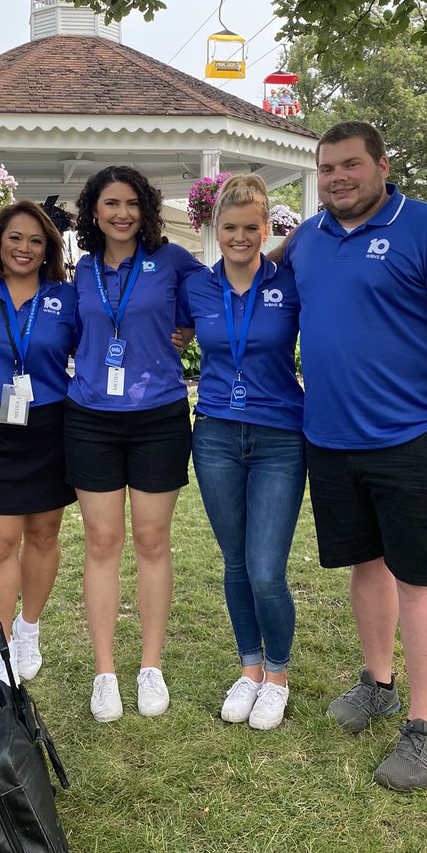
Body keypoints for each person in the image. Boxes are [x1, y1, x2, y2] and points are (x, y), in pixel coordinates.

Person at [285, 121, 427, 789]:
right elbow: (257, 272)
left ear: (381, 164)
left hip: (409, 440)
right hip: (330, 439)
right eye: (326, 169)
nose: (337, 178)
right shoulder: (309, 240)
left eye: (349, 165)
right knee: (364, 566)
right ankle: (378, 682)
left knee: (420, 579)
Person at [66, 165, 202, 722]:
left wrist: (188, 328)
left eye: (131, 203)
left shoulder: (173, 261)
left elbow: (211, 302)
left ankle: (150, 666)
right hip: (92, 416)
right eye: (110, 204)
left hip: (159, 414)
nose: (121, 213)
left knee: (151, 540)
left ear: (145, 209)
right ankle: (105, 673)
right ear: (93, 213)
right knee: (101, 542)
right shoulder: (82, 271)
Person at [178, 175, 305, 730]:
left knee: (266, 569)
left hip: (280, 437)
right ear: (214, 229)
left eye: (251, 227)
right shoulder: (196, 287)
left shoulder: (290, 284)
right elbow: (170, 332)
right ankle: (249, 669)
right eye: (229, 227)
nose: (240, 237)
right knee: (234, 562)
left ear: (266, 228)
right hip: (215, 435)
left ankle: (277, 676)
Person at [0, 201, 78, 683]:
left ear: (48, 247)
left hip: (51, 424)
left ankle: (29, 627)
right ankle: (1, 646)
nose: (24, 248)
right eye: (14, 238)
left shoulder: (65, 298)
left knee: (44, 535)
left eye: (35, 240)